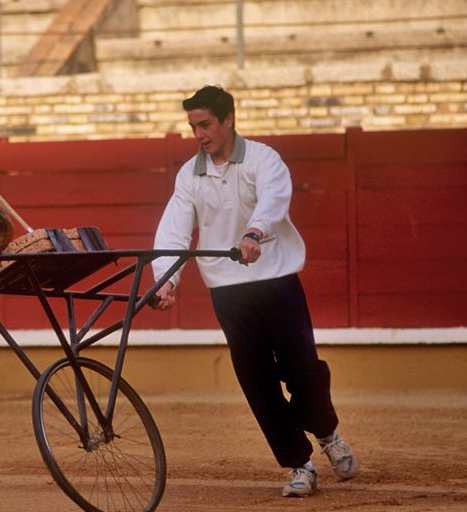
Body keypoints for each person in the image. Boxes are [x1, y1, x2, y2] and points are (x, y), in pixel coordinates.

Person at [150, 85, 358, 497]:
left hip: (276, 279)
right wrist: (166, 280)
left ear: (228, 120)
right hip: (228, 291)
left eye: (205, 124)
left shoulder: (264, 159)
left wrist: (253, 232)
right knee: (257, 381)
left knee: (303, 369)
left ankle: (327, 433)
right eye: (192, 126)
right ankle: (300, 464)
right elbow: (174, 230)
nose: (198, 135)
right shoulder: (189, 175)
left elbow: (274, 200)